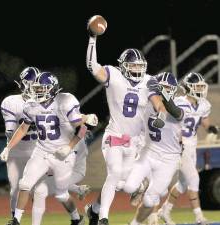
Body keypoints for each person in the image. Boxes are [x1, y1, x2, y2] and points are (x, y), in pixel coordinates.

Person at [86, 22, 168, 225]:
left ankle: (94, 210)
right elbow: (92, 66)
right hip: (114, 135)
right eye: (133, 66)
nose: (137, 70)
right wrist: (92, 38)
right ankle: (104, 218)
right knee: (114, 174)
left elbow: (160, 106)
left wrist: (161, 117)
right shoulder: (113, 75)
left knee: (124, 184)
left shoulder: (149, 81)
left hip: (134, 142)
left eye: (140, 66)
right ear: (123, 66)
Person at [0, 71, 98, 225]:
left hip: (63, 153)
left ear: (52, 89)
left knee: (61, 194)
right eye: (37, 88)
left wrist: (69, 147)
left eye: (42, 89)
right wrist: (8, 147)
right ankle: (16, 220)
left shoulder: (65, 102)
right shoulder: (31, 105)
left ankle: (76, 219)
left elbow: (82, 128)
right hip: (42, 151)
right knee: (25, 184)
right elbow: (22, 129)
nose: (37, 92)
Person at [123, 72, 187, 225]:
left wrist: (156, 90)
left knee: (153, 197)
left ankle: (136, 223)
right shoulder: (147, 103)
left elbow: (176, 112)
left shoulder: (179, 103)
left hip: (169, 158)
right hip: (149, 151)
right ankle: (142, 184)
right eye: (162, 87)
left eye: (167, 88)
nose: (164, 90)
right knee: (129, 186)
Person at [158, 72, 219, 225]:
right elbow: (166, 115)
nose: (200, 89)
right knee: (194, 179)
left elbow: (203, 118)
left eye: (201, 86)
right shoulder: (178, 102)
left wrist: (211, 128)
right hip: (179, 146)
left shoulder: (203, 104)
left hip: (192, 145)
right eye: (197, 86)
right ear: (189, 87)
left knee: (183, 184)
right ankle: (199, 217)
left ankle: (164, 211)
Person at [1, 67, 40, 218]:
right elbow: (11, 132)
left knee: (39, 190)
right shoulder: (11, 102)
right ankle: (14, 219)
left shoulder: (45, 102)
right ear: (22, 84)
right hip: (16, 151)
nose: (32, 87)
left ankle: (37, 220)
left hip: (36, 151)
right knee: (15, 189)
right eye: (29, 84)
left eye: (35, 84)